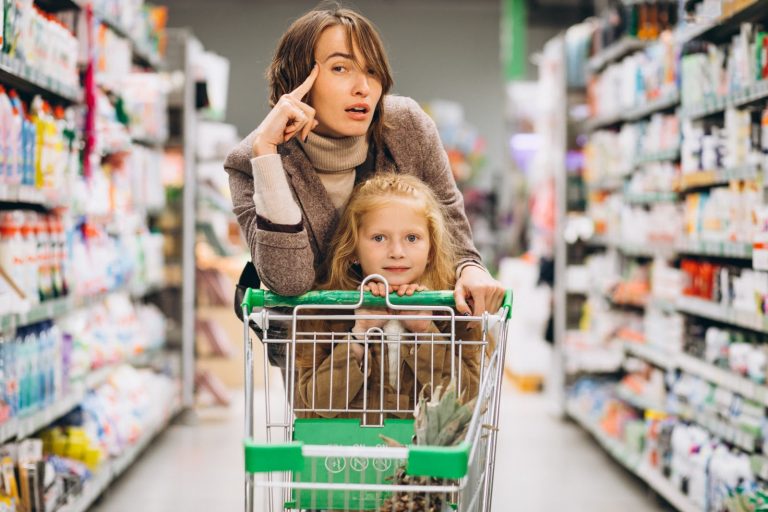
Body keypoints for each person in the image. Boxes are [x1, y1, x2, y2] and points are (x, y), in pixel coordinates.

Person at [224, 5, 505, 315]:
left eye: (372, 71)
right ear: (298, 79)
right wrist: (266, 154)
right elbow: (289, 281)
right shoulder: (249, 162)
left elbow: (452, 228)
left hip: (415, 337)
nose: (363, 88)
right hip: (322, 351)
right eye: (340, 68)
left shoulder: (406, 127)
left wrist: (471, 269)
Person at [293, 174, 491, 420]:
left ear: (431, 249)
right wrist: (360, 334)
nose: (397, 252)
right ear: (354, 249)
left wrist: (425, 331)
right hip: (350, 455)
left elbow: (469, 400)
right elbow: (315, 405)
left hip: (425, 455)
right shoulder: (326, 309)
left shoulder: (453, 309)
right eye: (379, 238)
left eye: (412, 238)